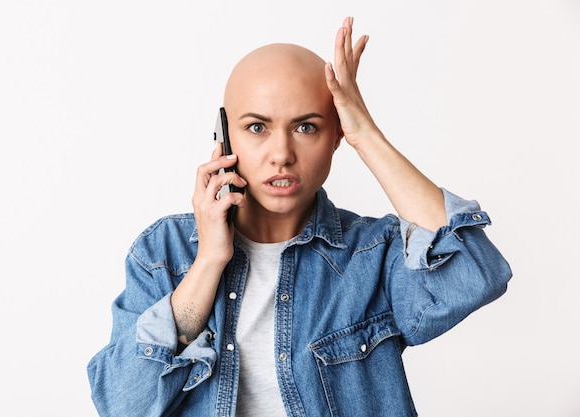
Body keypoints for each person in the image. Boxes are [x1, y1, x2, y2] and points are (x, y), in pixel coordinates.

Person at [87, 17, 512, 417]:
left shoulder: (372, 254)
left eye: (307, 127)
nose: (281, 155)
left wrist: (366, 134)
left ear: (336, 134)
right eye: (257, 127)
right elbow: (123, 404)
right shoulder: (164, 251)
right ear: (224, 134)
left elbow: (476, 274)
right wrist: (209, 263)